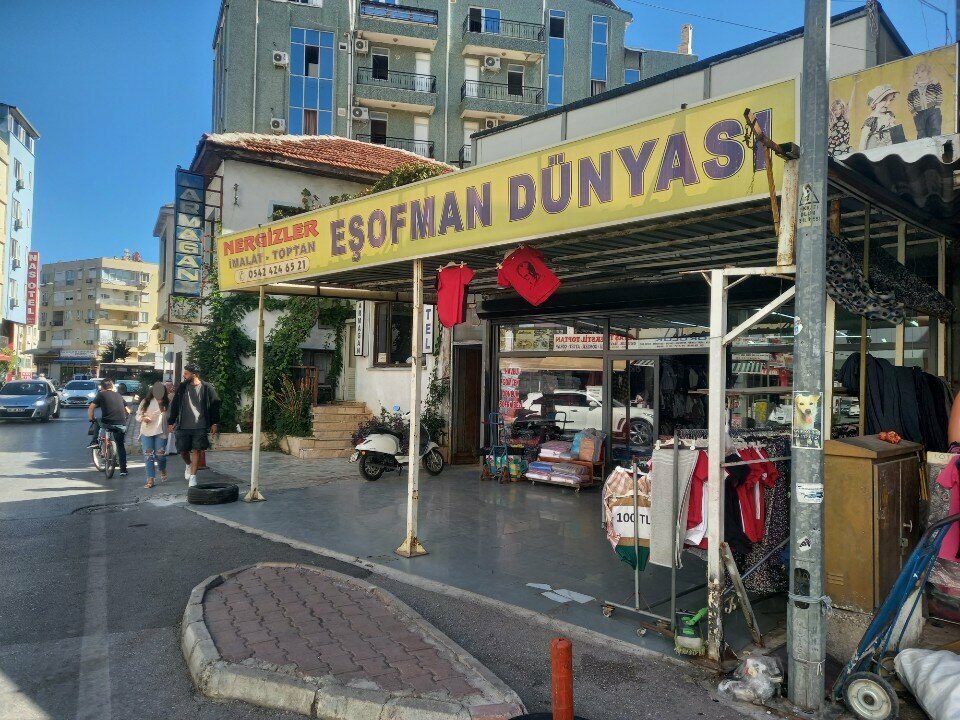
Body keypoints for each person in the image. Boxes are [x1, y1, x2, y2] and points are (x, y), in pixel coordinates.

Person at [167, 363, 220, 488]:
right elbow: (175, 405)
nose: (184, 376)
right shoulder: (182, 387)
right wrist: (171, 421)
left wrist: (214, 422)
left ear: (194, 374)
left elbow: (215, 405)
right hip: (183, 425)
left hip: (200, 425)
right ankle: (188, 464)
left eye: (186, 374)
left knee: (197, 450)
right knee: (182, 450)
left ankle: (193, 477)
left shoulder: (207, 387)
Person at [88, 378, 131, 477]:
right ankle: (123, 470)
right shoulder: (119, 395)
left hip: (107, 422)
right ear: (112, 386)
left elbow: (91, 408)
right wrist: (125, 417)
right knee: (120, 446)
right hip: (121, 424)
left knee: (97, 421)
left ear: (102, 387)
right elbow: (128, 410)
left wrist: (91, 419)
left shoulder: (101, 394)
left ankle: (94, 441)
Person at [137, 382, 169, 488]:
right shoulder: (145, 402)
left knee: (160, 455)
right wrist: (143, 418)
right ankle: (150, 479)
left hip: (161, 432)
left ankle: (162, 469)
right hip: (146, 431)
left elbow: (170, 416)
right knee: (148, 455)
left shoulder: (166, 402)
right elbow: (138, 415)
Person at [859, 84, 906, 150]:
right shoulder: (872, 120)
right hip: (877, 149)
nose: (888, 103)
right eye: (884, 100)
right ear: (874, 103)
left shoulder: (889, 115)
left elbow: (895, 131)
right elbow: (863, 139)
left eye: (890, 100)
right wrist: (862, 153)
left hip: (891, 146)